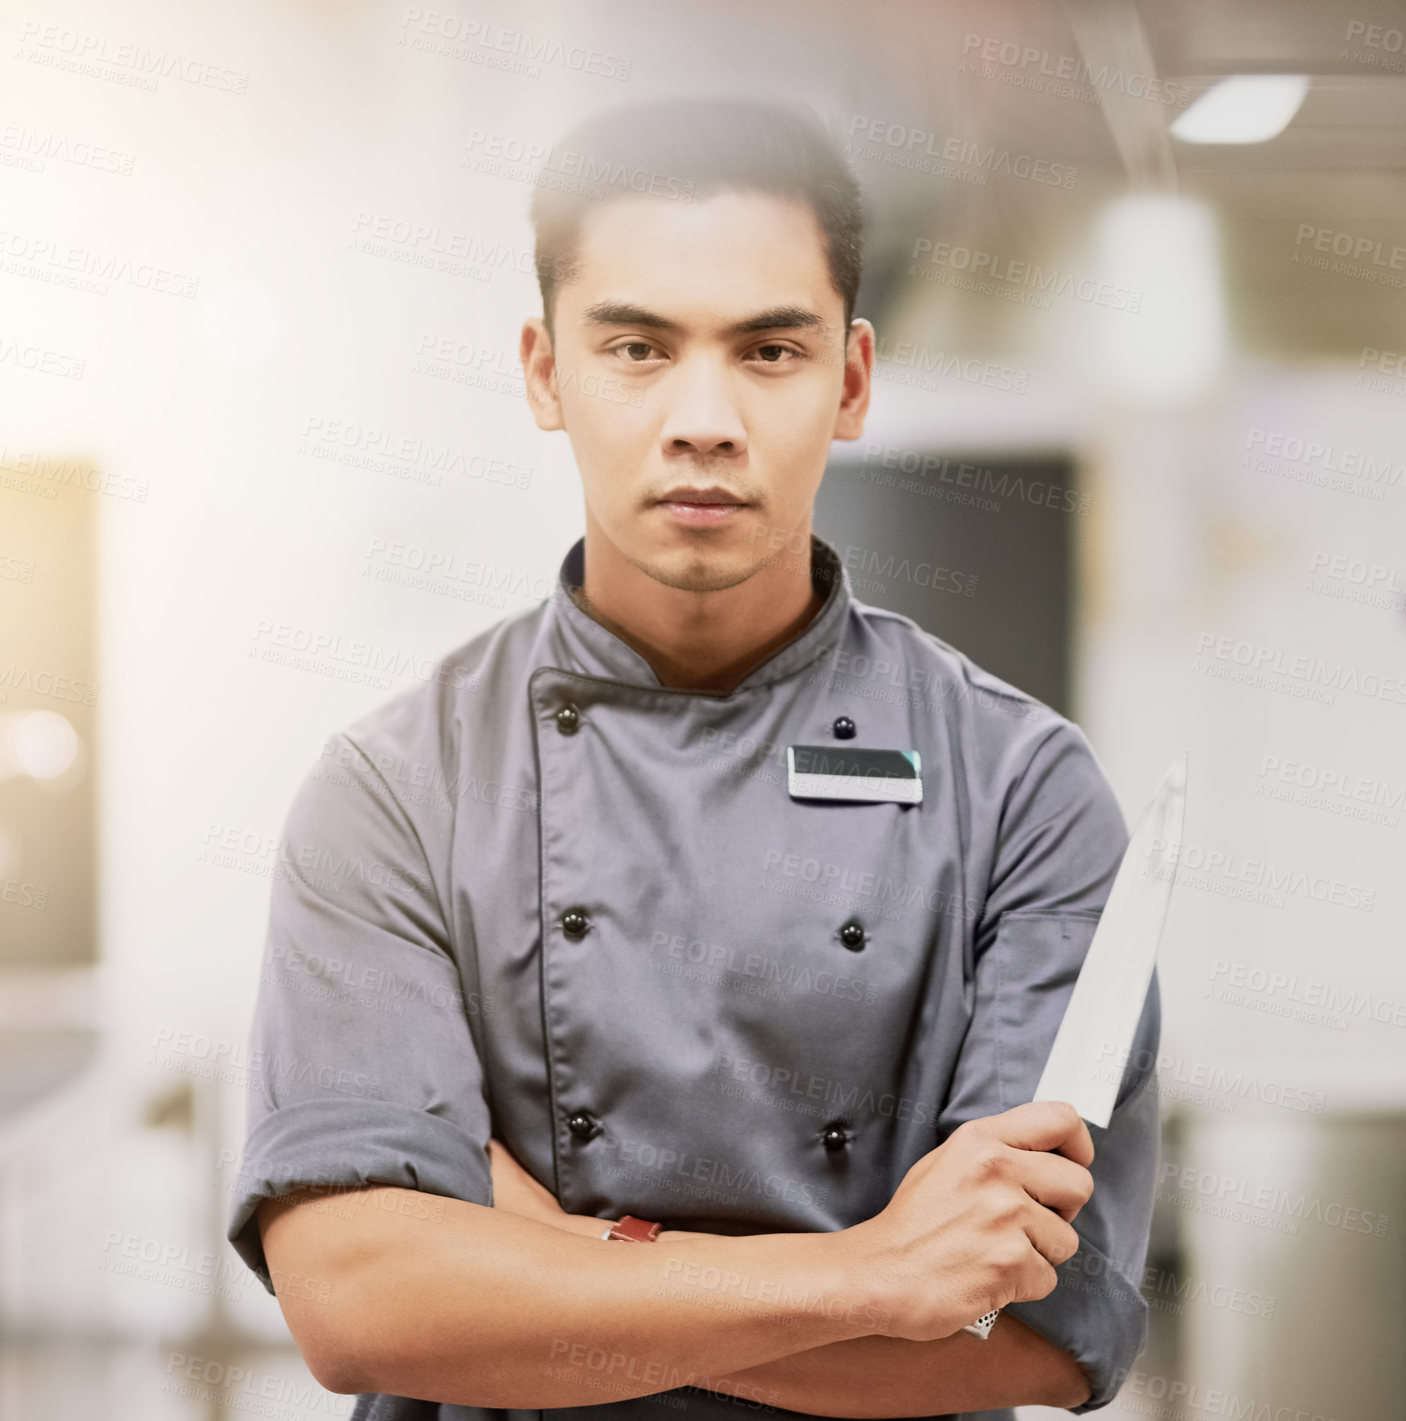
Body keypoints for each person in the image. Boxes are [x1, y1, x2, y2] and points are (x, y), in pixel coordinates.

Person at [226, 97, 1161, 1421]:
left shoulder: (1022, 792)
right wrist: (864, 1273)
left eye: (769, 349)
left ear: (849, 378)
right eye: (637, 347)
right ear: (546, 371)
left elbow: (1030, 1326)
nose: (703, 418)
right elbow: (360, 1301)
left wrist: (543, 1254)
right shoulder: (395, 786)